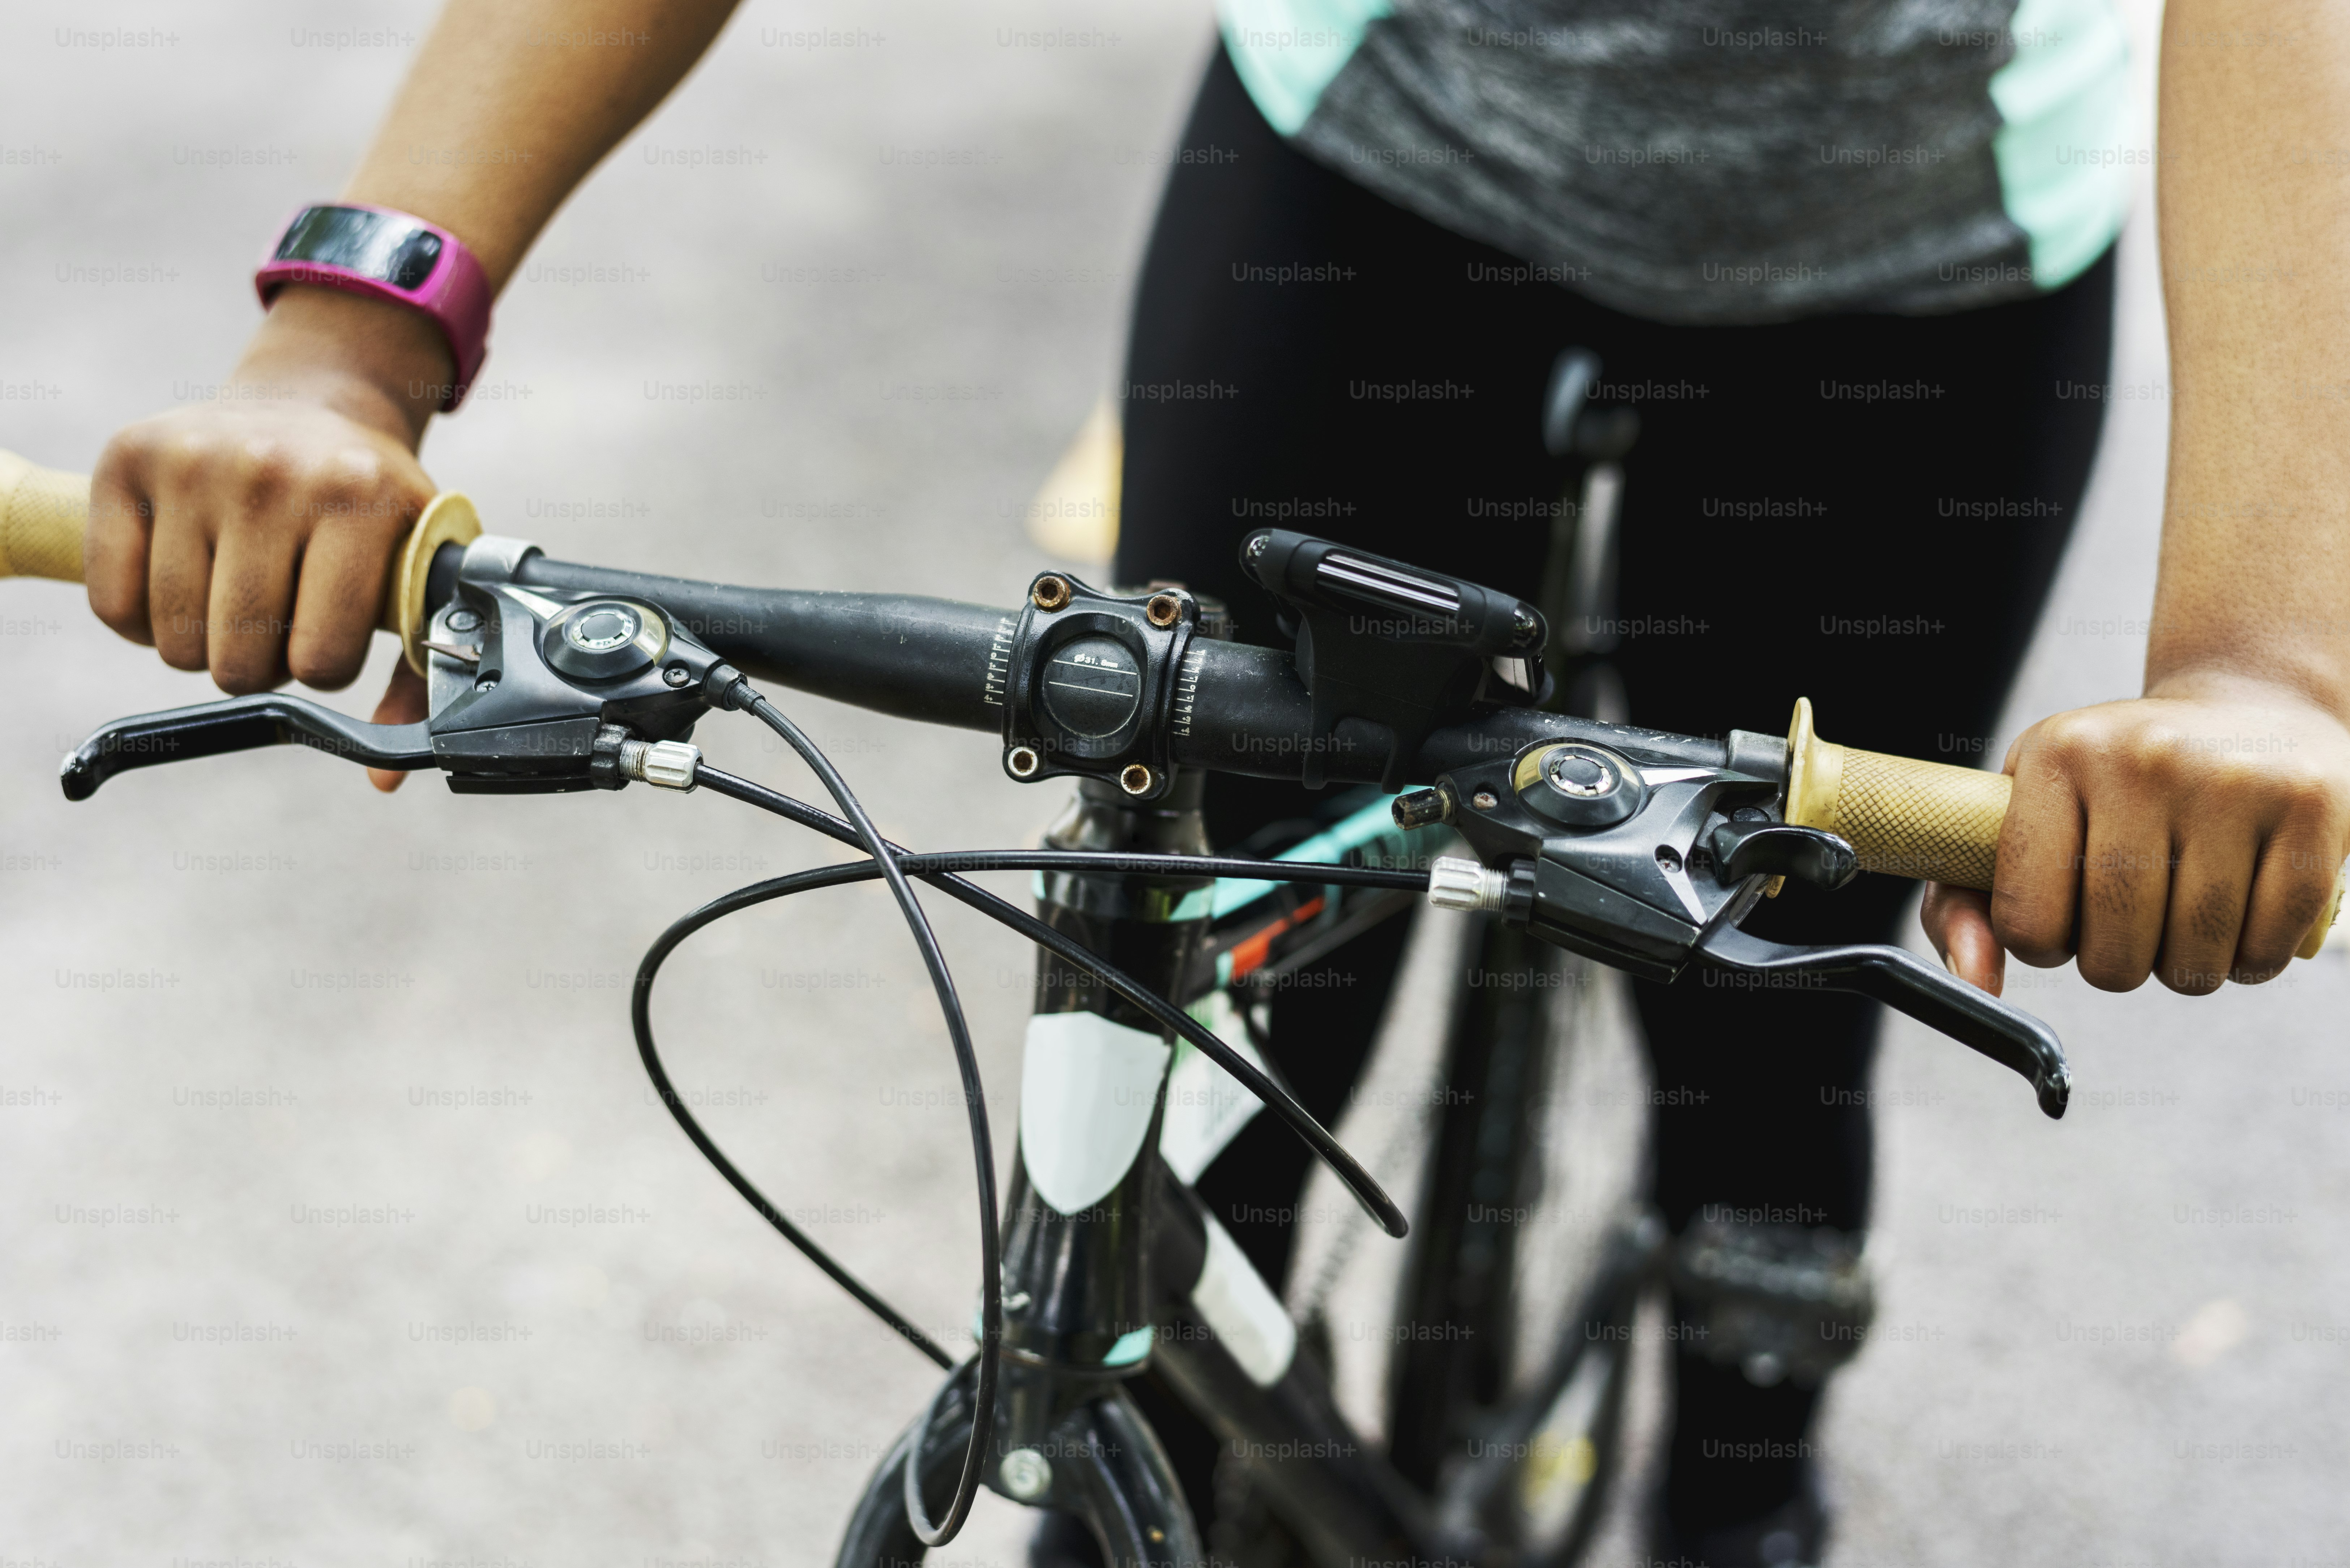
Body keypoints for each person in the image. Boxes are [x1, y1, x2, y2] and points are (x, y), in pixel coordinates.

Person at [79, 2, 2350, 1563]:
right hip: (1371, 170)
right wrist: (350, 339)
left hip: (1919, 269)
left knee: (1775, 997)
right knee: (1206, 1032)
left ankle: (1749, 1442)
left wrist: (2257, 666)